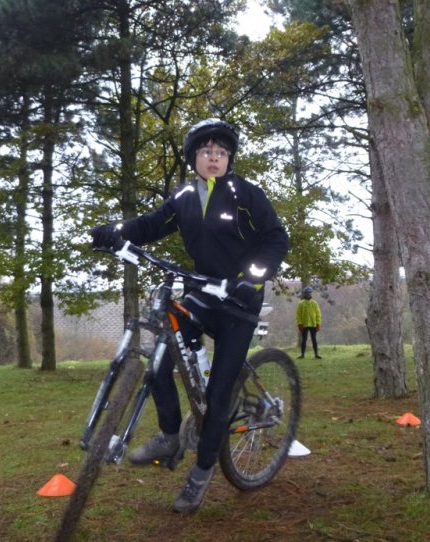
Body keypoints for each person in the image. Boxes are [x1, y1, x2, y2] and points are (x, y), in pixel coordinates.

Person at [90, 118, 289, 513]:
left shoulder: (247, 193)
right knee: (162, 352)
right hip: (200, 294)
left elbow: (276, 238)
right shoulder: (184, 196)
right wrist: (115, 233)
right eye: (206, 152)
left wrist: (251, 279)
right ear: (194, 158)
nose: (213, 158)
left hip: (238, 302)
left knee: (218, 399)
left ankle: (200, 474)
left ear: (228, 158)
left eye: (220, 153)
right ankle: (169, 434)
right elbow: (149, 225)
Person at [296, 286, 322, 359]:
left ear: (311, 294)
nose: (308, 294)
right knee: (304, 340)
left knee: (314, 339)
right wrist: (299, 324)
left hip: (313, 324)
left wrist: (318, 323)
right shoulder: (301, 304)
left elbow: (318, 314)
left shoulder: (314, 303)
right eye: (307, 293)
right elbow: (298, 315)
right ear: (304, 294)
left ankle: (316, 354)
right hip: (304, 324)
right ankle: (302, 354)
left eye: (309, 293)